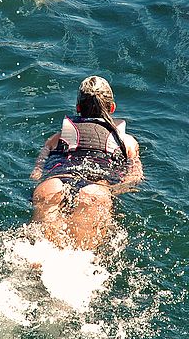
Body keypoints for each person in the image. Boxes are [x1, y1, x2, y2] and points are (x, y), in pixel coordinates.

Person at [30, 76, 143, 250]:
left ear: (78, 108)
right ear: (112, 108)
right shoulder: (127, 142)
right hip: (96, 190)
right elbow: (133, 179)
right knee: (81, 258)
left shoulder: (56, 138)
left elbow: (36, 173)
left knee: (44, 253)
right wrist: (112, 192)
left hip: (53, 184)